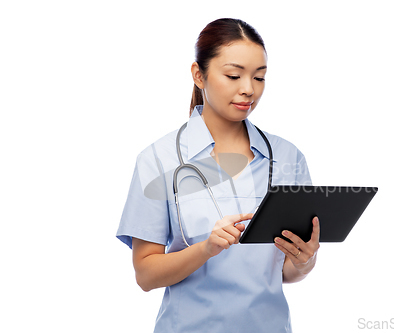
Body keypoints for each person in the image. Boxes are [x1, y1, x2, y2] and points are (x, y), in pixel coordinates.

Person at [116, 18, 320, 333]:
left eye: (260, 77)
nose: (249, 89)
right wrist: (206, 248)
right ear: (199, 75)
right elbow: (145, 275)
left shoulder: (288, 157)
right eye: (233, 75)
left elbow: (284, 272)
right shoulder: (158, 159)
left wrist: (304, 261)